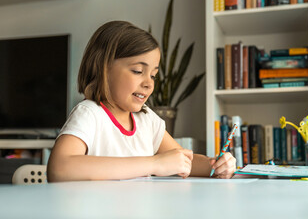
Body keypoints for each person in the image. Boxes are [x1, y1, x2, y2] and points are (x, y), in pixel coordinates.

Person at [47, 21, 236, 182]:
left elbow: (184, 160)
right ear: (103, 68)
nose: (148, 83)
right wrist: (154, 163)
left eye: (153, 75)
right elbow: (59, 168)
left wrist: (217, 165)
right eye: (138, 71)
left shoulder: (147, 120)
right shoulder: (90, 113)